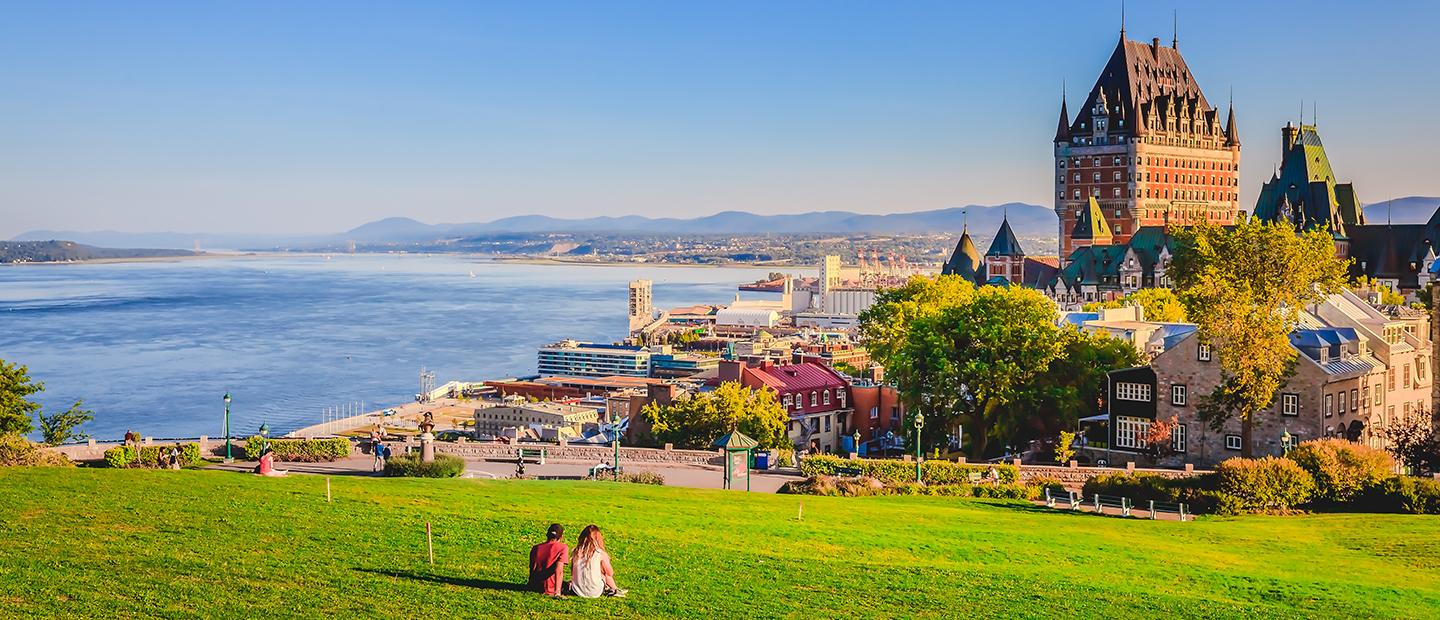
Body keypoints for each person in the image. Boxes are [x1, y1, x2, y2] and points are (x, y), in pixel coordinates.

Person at [568, 525, 626, 598]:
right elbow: (610, 573)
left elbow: (572, 572)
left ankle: (614, 589)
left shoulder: (576, 552)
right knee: (605, 574)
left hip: (577, 590)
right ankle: (615, 589)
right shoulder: (599, 553)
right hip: (595, 591)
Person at [528, 524, 569, 597]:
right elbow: (559, 571)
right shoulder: (563, 548)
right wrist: (557, 593)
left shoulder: (535, 548)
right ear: (561, 537)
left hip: (533, 586)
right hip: (549, 588)